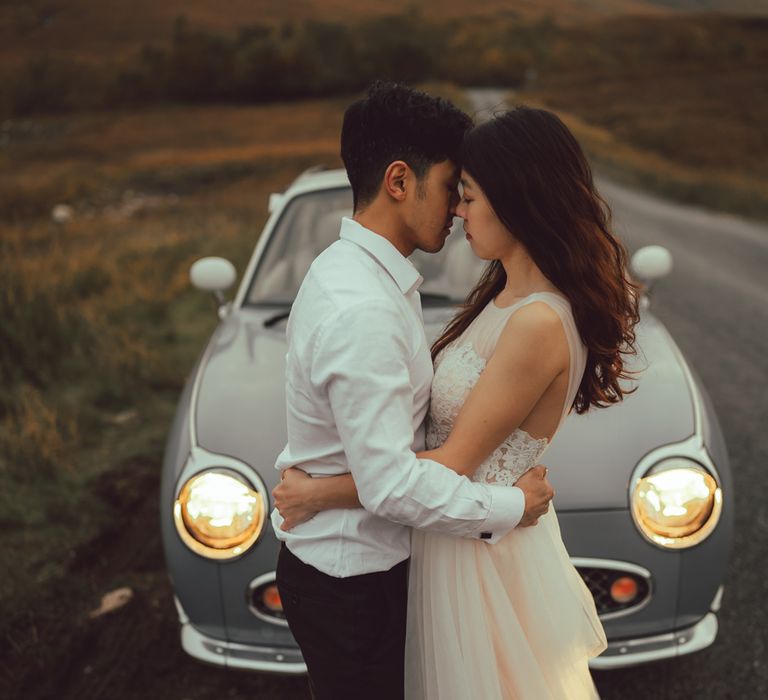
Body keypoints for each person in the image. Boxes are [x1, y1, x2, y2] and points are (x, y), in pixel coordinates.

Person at [275, 105, 641, 698]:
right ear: (399, 181)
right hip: (440, 547)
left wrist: (321, 490)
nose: (458, 210)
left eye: (468, 195)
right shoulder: (487, 294)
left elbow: (442, 464)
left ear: (519, 197)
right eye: (456, 191)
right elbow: (411, 459)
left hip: (477, 561)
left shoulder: (536, 321)